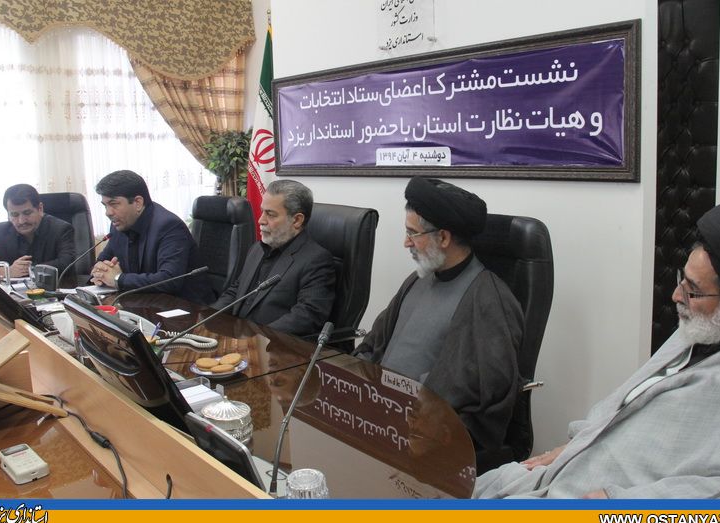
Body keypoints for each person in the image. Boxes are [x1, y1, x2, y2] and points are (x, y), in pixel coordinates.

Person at [476, 200, 720, 499]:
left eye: (692, 290)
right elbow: (627, 401)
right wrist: (575, 444)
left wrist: (617, 503)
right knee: (457, 489)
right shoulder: (703, 328)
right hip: (564, 470)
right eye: (681, 280)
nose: (676, 295)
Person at [353, 177, 524, 455]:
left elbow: (484, 395)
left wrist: (412, 415)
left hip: (427, 435)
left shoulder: (489, 299)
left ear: (443, 238)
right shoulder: (418, 279)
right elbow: (375, 344)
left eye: (413, 233)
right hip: (380, 416)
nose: (405, 242)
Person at [213, 179, 335, 337]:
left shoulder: (316, 260)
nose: (261, 220)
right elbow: (236, 291)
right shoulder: (257, 249)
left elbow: (306, 316)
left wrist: (256, 338)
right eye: (262, 211)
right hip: (236, 336)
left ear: (297, 220)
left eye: (270, 214)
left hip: (271, 345)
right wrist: (207, 318)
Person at [89, 170, 213, 304]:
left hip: (187, 307)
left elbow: (169, 280)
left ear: (138, 202)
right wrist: (99, 272)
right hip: (144, 302)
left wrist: (118, 279)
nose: (108, 213)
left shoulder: (169, 226)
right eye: (105, 205)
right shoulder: (119, 224)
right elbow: (103, 261)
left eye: (114, 204)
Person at [0, 184, 75, 278]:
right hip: (8, 291)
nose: (21, 221)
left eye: (27, 213)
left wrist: (29, 269)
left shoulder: (61, 229)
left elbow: (67, 264)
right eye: (14, 215)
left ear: (40, 209)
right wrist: (5, 271)